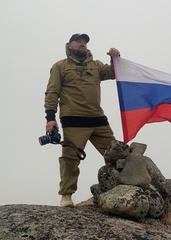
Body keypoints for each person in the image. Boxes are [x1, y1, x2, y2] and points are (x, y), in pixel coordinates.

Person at [44, 33, 120, 207]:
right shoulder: (60, 66)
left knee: (117, 154)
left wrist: (116, 59)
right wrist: (50, 118)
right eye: (78, 41)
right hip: (73, 120)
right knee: (70, 159)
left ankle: (124, 186)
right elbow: (52, 92)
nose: (82, 44)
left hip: (98, 119)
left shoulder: (96, 65)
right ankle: (66, 196)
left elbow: (113, 73)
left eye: (84, 42)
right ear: (69, 45)